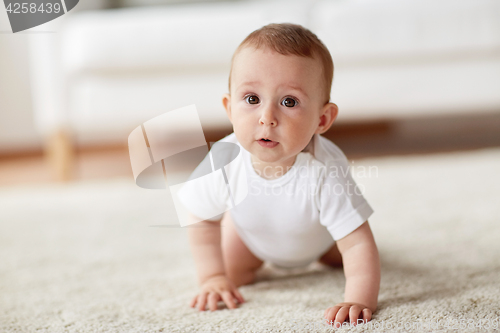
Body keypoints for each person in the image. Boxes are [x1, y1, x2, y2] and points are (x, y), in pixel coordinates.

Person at [178, 23, 380, 328]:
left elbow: (357, 243)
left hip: (321, 239)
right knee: (230, 277)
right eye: (251, 99)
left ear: (322, 119)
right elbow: (202, 218)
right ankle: (235, 238)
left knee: (351, 259)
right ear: (229, 107)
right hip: (250, 238)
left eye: (289, 102)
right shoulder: (223, 159)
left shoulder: (325, 169)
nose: (267, 118)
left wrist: (359, 299)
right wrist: (212, 276)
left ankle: (325, 254)